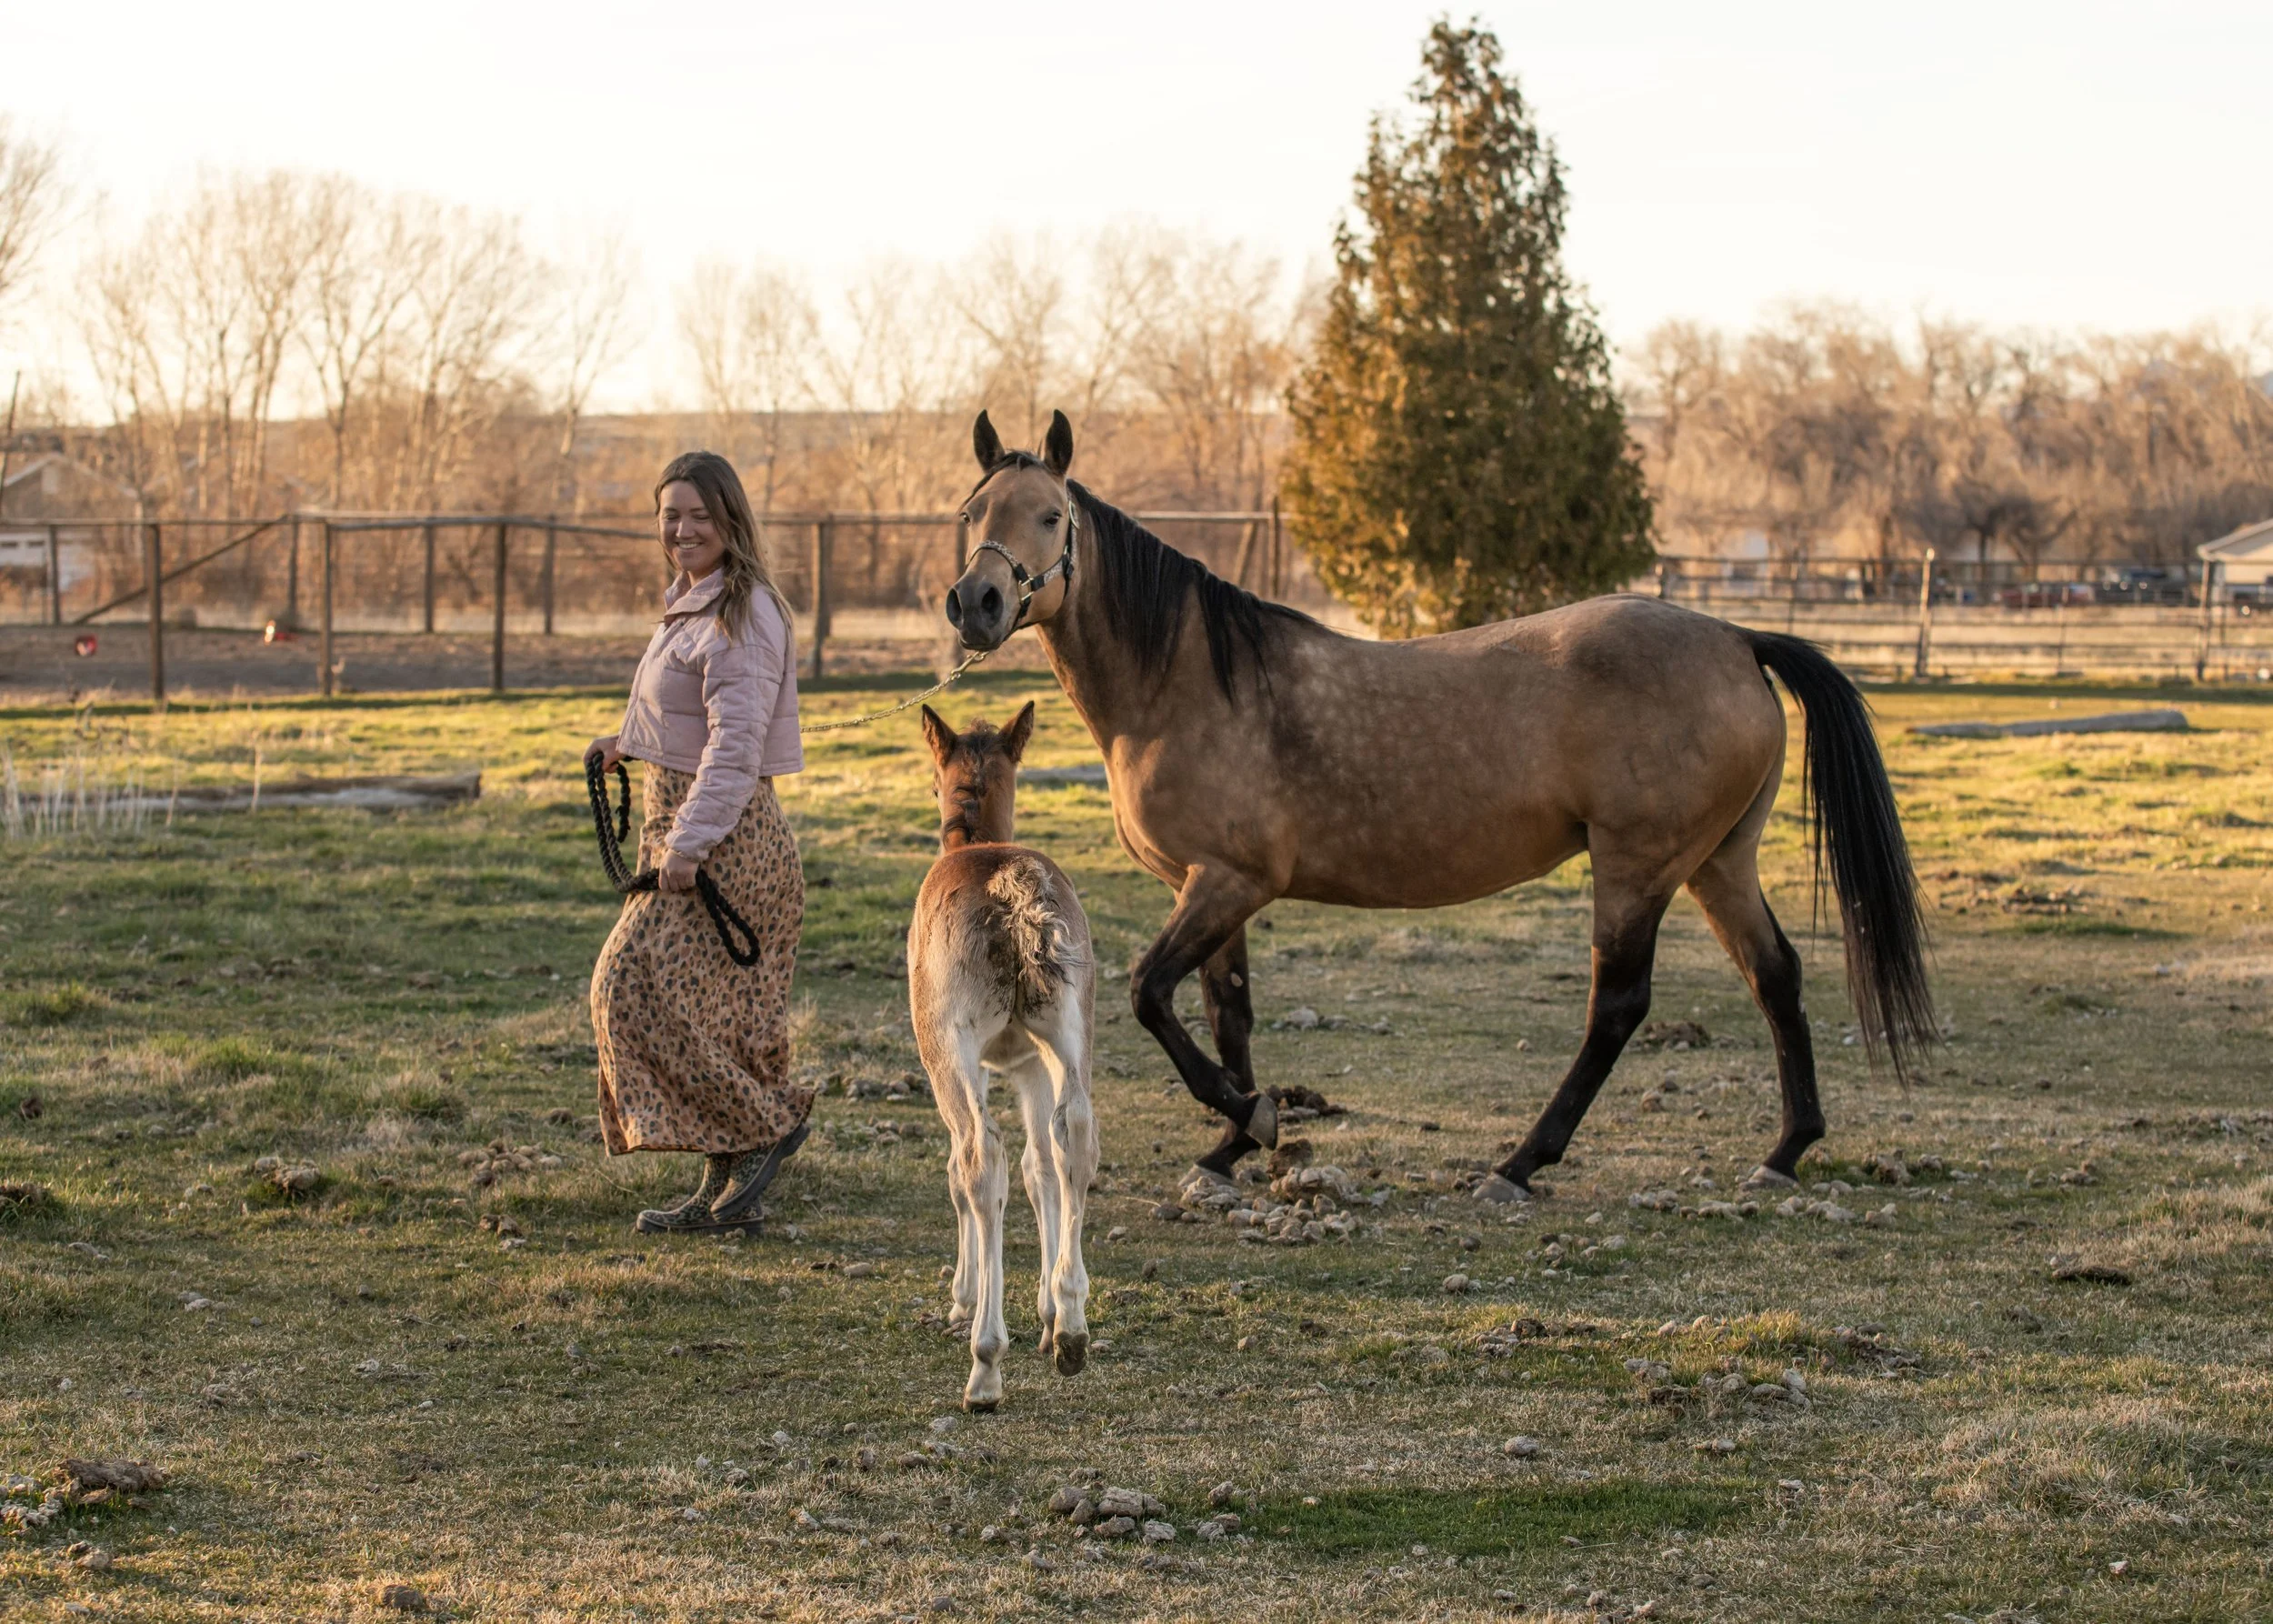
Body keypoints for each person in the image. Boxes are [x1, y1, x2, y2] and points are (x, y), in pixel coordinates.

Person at [585, 452, 808, 1235]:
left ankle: (765, 1130)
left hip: (726, 844)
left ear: (730, 521)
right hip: (687, 828)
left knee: (627, 981)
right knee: (713, 1018)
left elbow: (735, 748)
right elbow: (690, 717)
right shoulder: (691, 602)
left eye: (699, 516)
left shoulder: (738, 616)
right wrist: (628, 741)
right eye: (671, 514)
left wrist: (688, 844)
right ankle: (733, 1167)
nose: (681, 529)